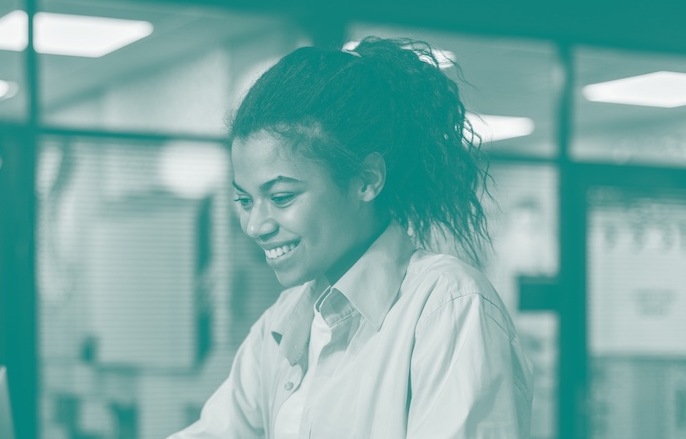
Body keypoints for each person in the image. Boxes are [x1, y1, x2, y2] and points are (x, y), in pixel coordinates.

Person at [170, 36, 533, 439]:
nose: (256, 225)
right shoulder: (284, 319)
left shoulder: (447, 305)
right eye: (244, 200)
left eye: (281, 197)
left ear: (366, 179)